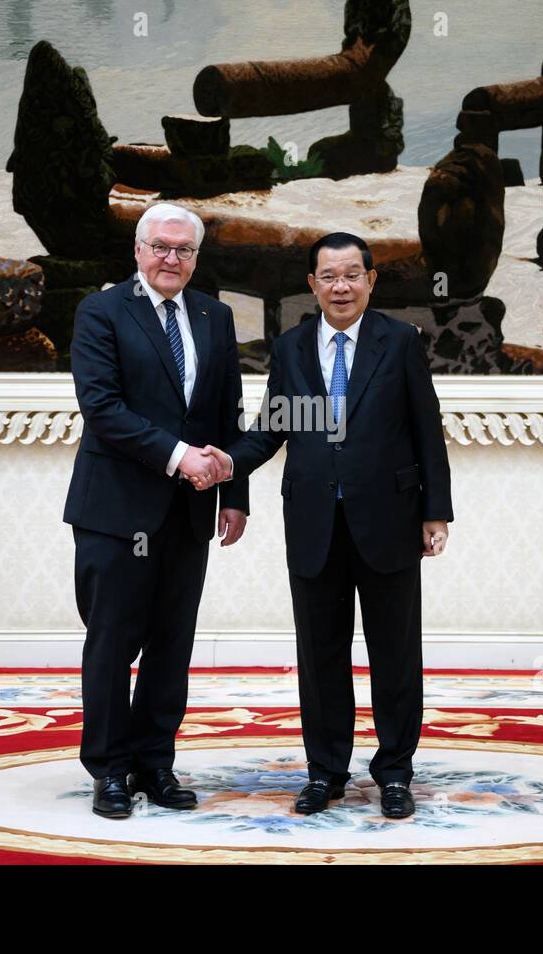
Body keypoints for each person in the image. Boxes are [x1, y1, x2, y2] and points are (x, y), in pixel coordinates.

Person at [204, 231, 452, 819]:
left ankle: (394, 772)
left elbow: (427, 429)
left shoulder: (400, 342)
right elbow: (273, 427)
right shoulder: (290, 348)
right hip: (314, 520)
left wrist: (435, 512)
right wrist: (227, 462)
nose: (340, 286)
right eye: (328, 276)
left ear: (370, 280)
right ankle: (326, 772)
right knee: (319, 656)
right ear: (312, 284)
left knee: (395, 653)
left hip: (389, 520)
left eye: (351, 275)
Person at [63, 202, 248, 819]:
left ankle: (155, 763)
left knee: (172, 644)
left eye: (185, 250)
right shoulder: (101, 311)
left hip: (190, 514)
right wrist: (177, 457)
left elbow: (228, 412)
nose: (172, 259)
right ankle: (110, 770)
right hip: (116, 512)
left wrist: (234, 493)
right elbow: (103, 408)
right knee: (114, 643)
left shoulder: (215, 317)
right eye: (161, 247)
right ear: (138, 251)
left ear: (197, 257)